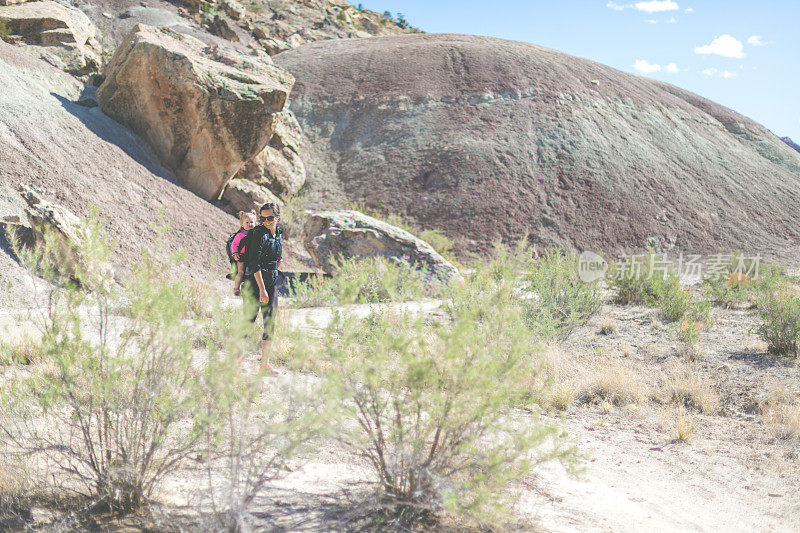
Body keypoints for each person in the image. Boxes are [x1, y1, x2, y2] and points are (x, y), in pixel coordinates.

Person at [244, 202, 283, 373]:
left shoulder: (279, 234)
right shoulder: (258, 234)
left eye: (270, 218)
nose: (266, 221)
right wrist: (261, 289)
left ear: (277, 218)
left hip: (271, 283)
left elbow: (275, 254)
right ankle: (234, 362)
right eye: (263, 218)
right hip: (256, 284)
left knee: (270, 323)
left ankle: (264, 365)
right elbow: (254, 263)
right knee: (248, 321)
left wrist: (277, 262)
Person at [230, 210, 257, 296]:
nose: (250, 224)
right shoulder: (240, 235)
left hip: (252, 257)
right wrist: (235, 253)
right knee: (240, 272)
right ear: (242, 224)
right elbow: (234, 244)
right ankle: (236, 288)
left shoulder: (256, 234)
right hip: (242, 256)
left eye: (252, 222)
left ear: (255, 223)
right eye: (247, 222)